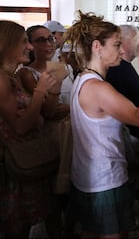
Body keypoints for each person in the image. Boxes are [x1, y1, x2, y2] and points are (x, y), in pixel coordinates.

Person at [64, 10, 139, 238]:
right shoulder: (97, 87)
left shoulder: (84, 79)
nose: (122, 50)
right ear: (97, 47)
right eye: (116, 44)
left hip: (90, 175)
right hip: (103, 179)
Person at [0, 20, 61, 238]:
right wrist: (39, 92)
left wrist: (52, 90)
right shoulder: (2, 80)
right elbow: (19, 127)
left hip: (27, 160)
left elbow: (40, 116)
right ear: (6, 45)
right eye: (24, 42)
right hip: (15, 165)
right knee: (17, 226)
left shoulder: (12, 76)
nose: (29, 47)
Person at [106, 24, 139, 193]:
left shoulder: (125, 66)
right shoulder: (119, 67)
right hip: (125, 131)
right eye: (136, 39)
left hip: (130, 130)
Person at [17, 25, 69, 120]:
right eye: (41, 40)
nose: (48, 44)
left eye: (50, 39)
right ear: (30, 45)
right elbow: (48, 111)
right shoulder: (27, 73)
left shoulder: (65, 67)